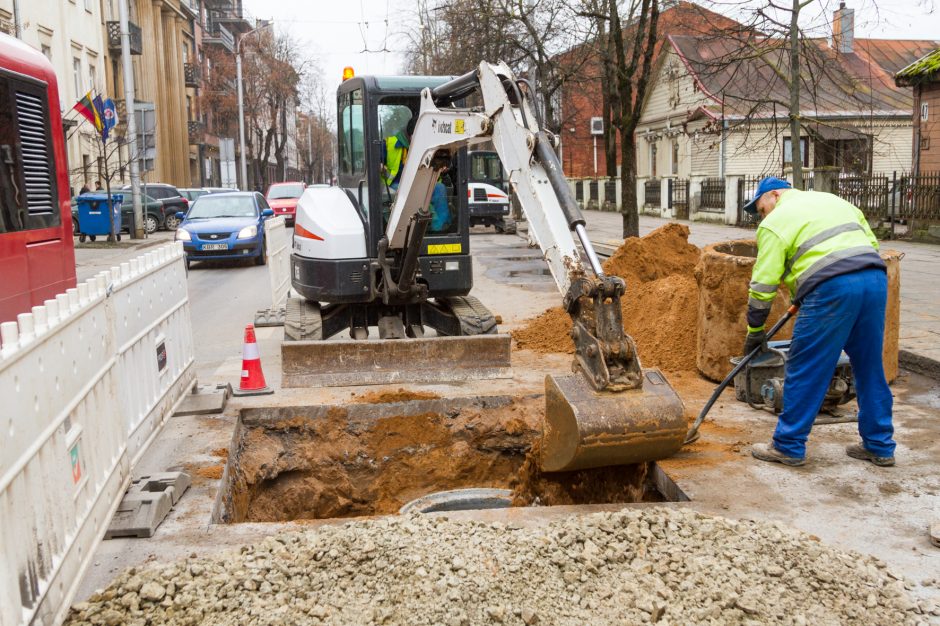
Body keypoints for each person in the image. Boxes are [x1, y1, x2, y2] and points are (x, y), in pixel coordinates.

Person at [742, 176, 894, 468]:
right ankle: (880, 445)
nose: (761, 216)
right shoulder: (833, 200)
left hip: (832, 290)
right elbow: (869, 245)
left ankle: (787, 446)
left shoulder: (774, 222)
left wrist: (755, 331)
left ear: (774, 195)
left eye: (760, 209)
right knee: (869, 365)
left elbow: (763, 285)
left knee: (807, 366)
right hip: (874, 280)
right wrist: (805, 290)